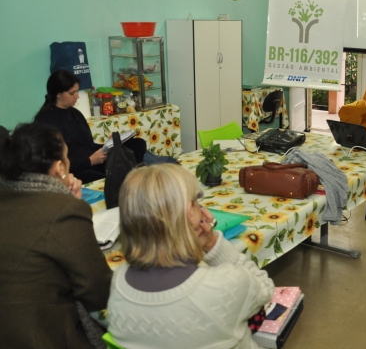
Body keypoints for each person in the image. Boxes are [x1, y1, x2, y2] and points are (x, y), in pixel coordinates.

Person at [107, 164, 274, 349]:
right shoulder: (224, 285)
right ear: (190, 214)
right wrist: (212, 243)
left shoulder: (118, 281)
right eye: (197, 199)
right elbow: (264, 289)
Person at [0, 122, 112, 348]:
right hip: (44, 336)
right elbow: (99, 292)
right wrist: (72, 206)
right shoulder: (63, 211)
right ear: (60, 167)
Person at [35, 70, 146, 183]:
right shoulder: (45, 121)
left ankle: (134, 180)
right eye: (72, 93)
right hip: (76, 169)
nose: (77, 96)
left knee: (138, 144)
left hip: (93, 160)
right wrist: (89, 161)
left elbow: (87, 145)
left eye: (77, 91)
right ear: (58, 94)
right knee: (108, 178)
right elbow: (54, 162)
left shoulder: (75, 113)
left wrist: (108, 145)